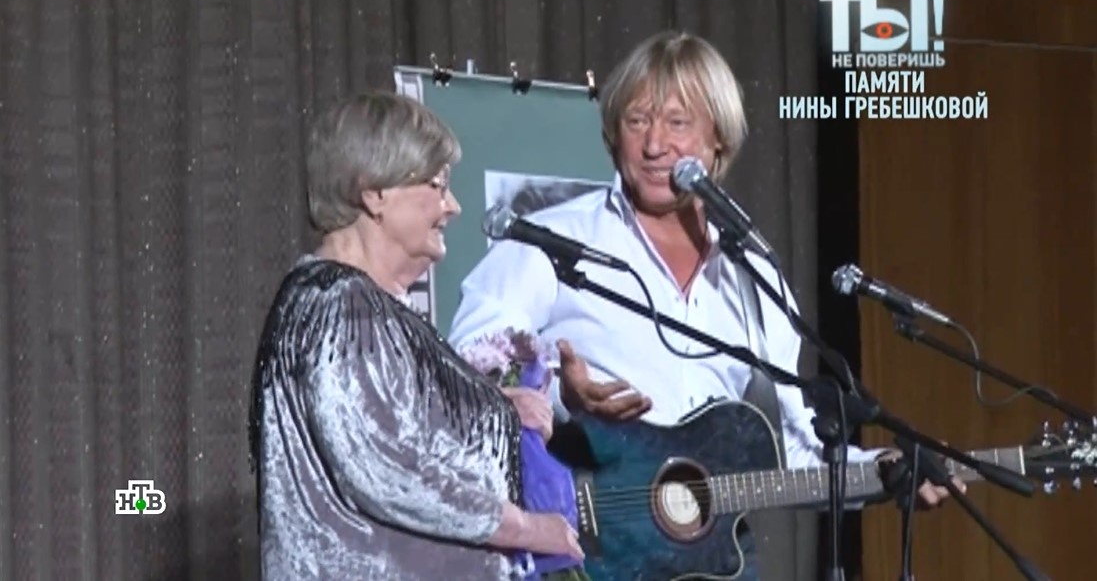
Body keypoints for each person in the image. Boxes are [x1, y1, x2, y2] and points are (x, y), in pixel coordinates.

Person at [449, 31, 960, 579]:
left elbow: (795, 449)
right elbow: (464, 367)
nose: (654, 145)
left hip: (714, 564)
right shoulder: (549, 241)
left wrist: (887, 470)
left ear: (719, 141)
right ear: (612, 136)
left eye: (677, 122)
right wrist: (555, 394)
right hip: (580, 558)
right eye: (637, 121)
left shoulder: (752, 273)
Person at [247, 92, 583, 580]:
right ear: (374, 192)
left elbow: (402, 426)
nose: (453, 207)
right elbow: (385, 465)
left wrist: (498, 406)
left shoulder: (352, 305)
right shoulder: (341, 305)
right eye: (437, 185)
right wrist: (525, 528)